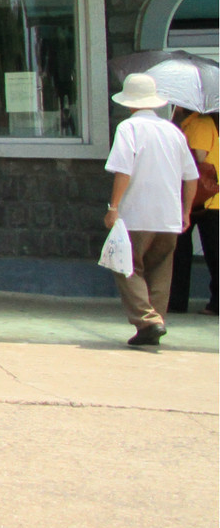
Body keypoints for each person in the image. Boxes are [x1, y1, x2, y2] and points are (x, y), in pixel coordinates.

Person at [103, 73, 198, 347]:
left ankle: (147, 320)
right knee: (160, 271)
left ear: (129, 102)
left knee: (126, 266)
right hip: (169, 216)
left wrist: (113, 207)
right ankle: (155, 323)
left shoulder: (128, 128)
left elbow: (123, 170)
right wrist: (186, 212)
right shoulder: (173, 131)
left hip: (136, 214)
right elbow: (191, 176)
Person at [168, 104, 217, 316]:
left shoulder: (200, 124)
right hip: (207, 199)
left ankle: (179, 301)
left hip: (204, 198)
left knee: (187, 251)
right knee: (207, 251)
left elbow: (199, 158)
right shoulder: (195, 123)